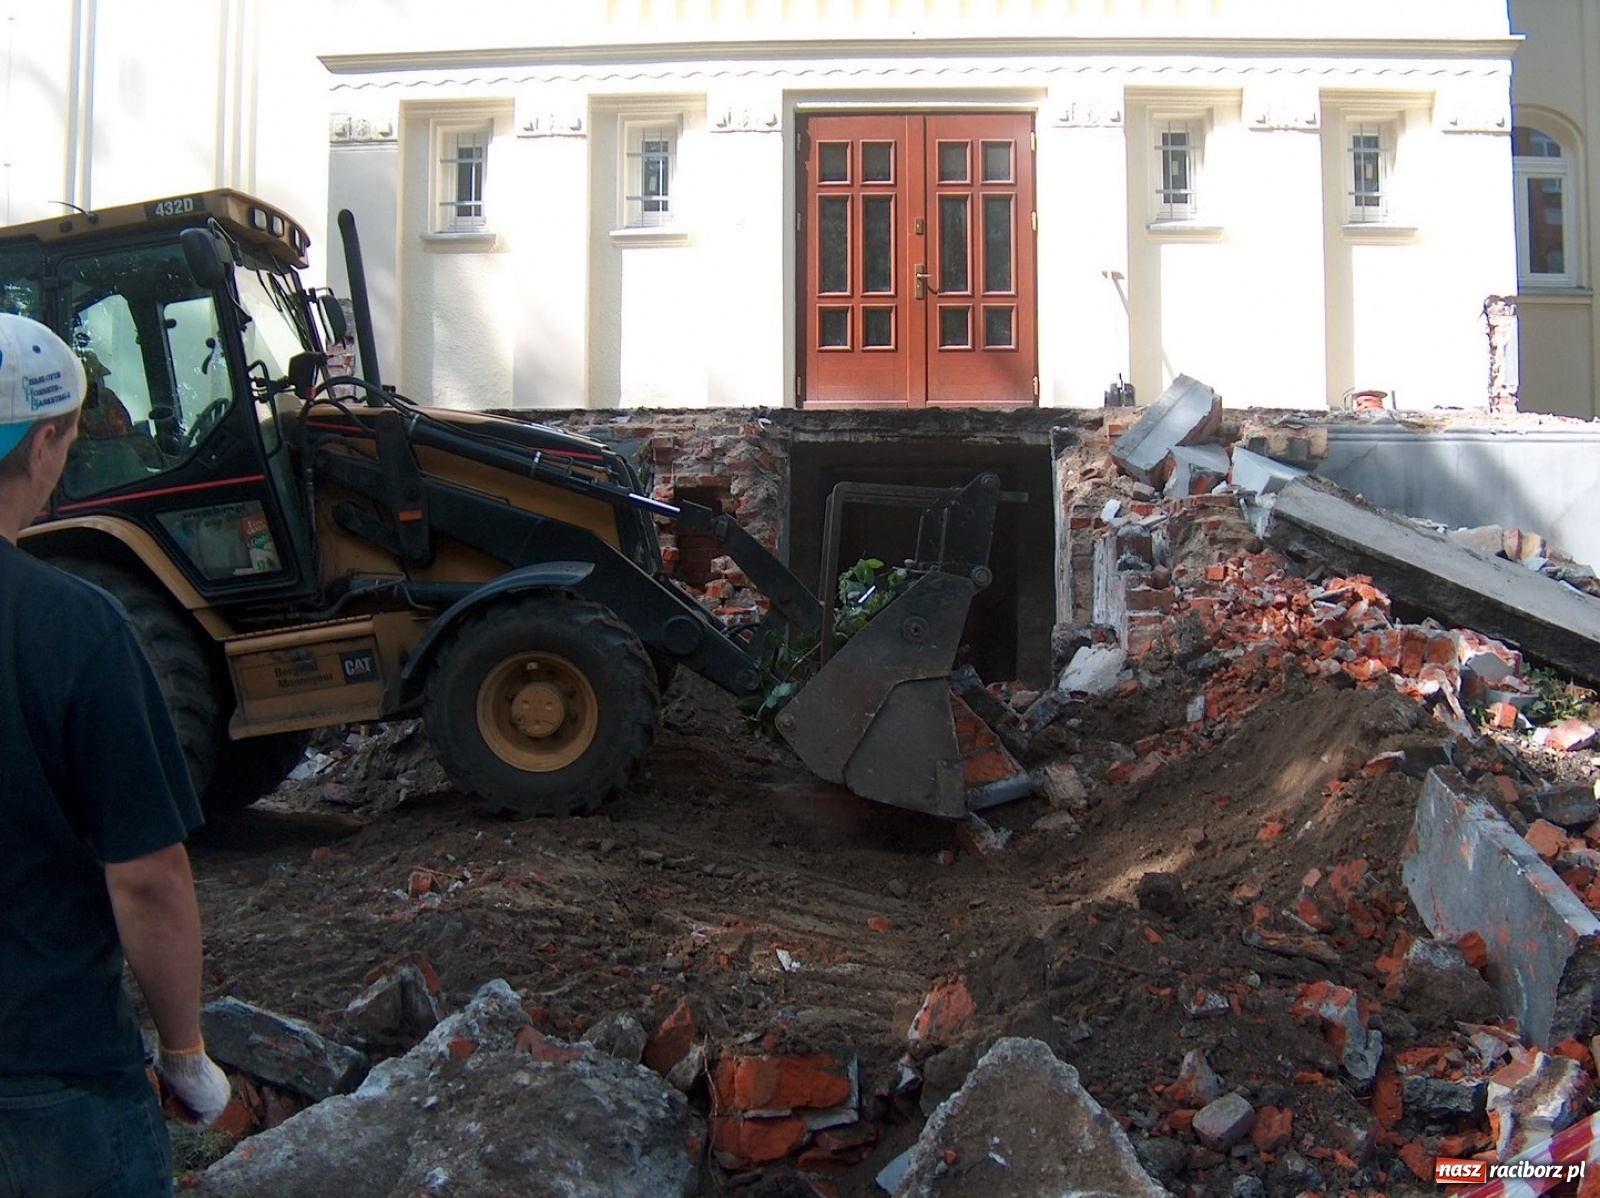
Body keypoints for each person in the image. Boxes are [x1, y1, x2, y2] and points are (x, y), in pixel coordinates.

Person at [0, 313, 229, 1196]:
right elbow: (147, 878)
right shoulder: (77, 629)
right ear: (49, 441)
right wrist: (184, 1053)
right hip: (48, 1075)